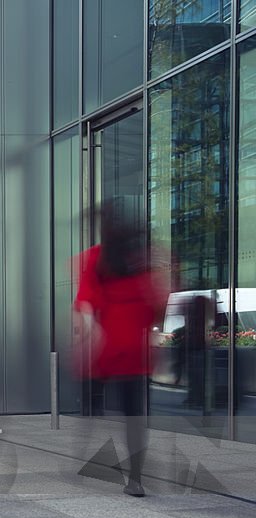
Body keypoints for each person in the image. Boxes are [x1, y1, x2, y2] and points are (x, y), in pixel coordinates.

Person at [74, 200, 167, 497]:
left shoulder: (97, 258)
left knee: (92, 406)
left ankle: (82, 453)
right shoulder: (143, 262)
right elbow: (156, 303)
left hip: (105, 348)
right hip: (135, 351)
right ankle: (135, 479)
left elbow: (86, 299)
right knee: (134, 415)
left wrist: (86, 330)